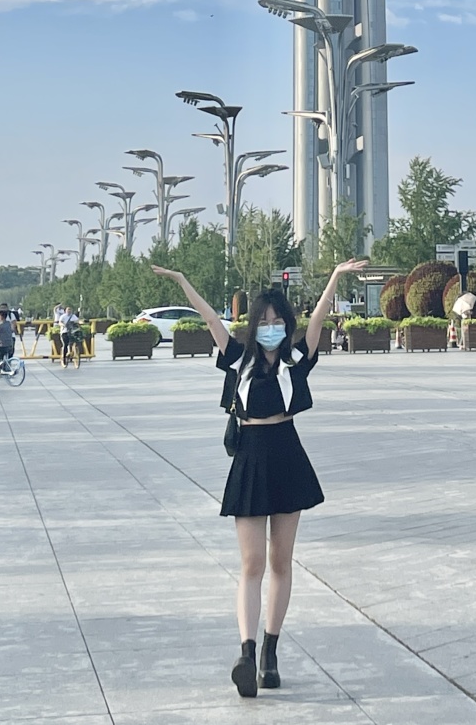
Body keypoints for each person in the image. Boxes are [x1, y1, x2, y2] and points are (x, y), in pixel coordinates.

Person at [151, 256, 368, 699]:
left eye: (276, 320)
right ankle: (246, 654)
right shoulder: (239, 359)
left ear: (284, 323)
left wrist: (334, 279)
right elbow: (211, 318)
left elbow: (320, 317)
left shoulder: (295, 359)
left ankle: (270, 651)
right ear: (254, 324)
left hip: (287, 454)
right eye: (263, 320)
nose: (269, 326)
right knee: (251, 564)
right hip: (249, 459)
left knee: (280, 562)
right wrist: (183, 280)